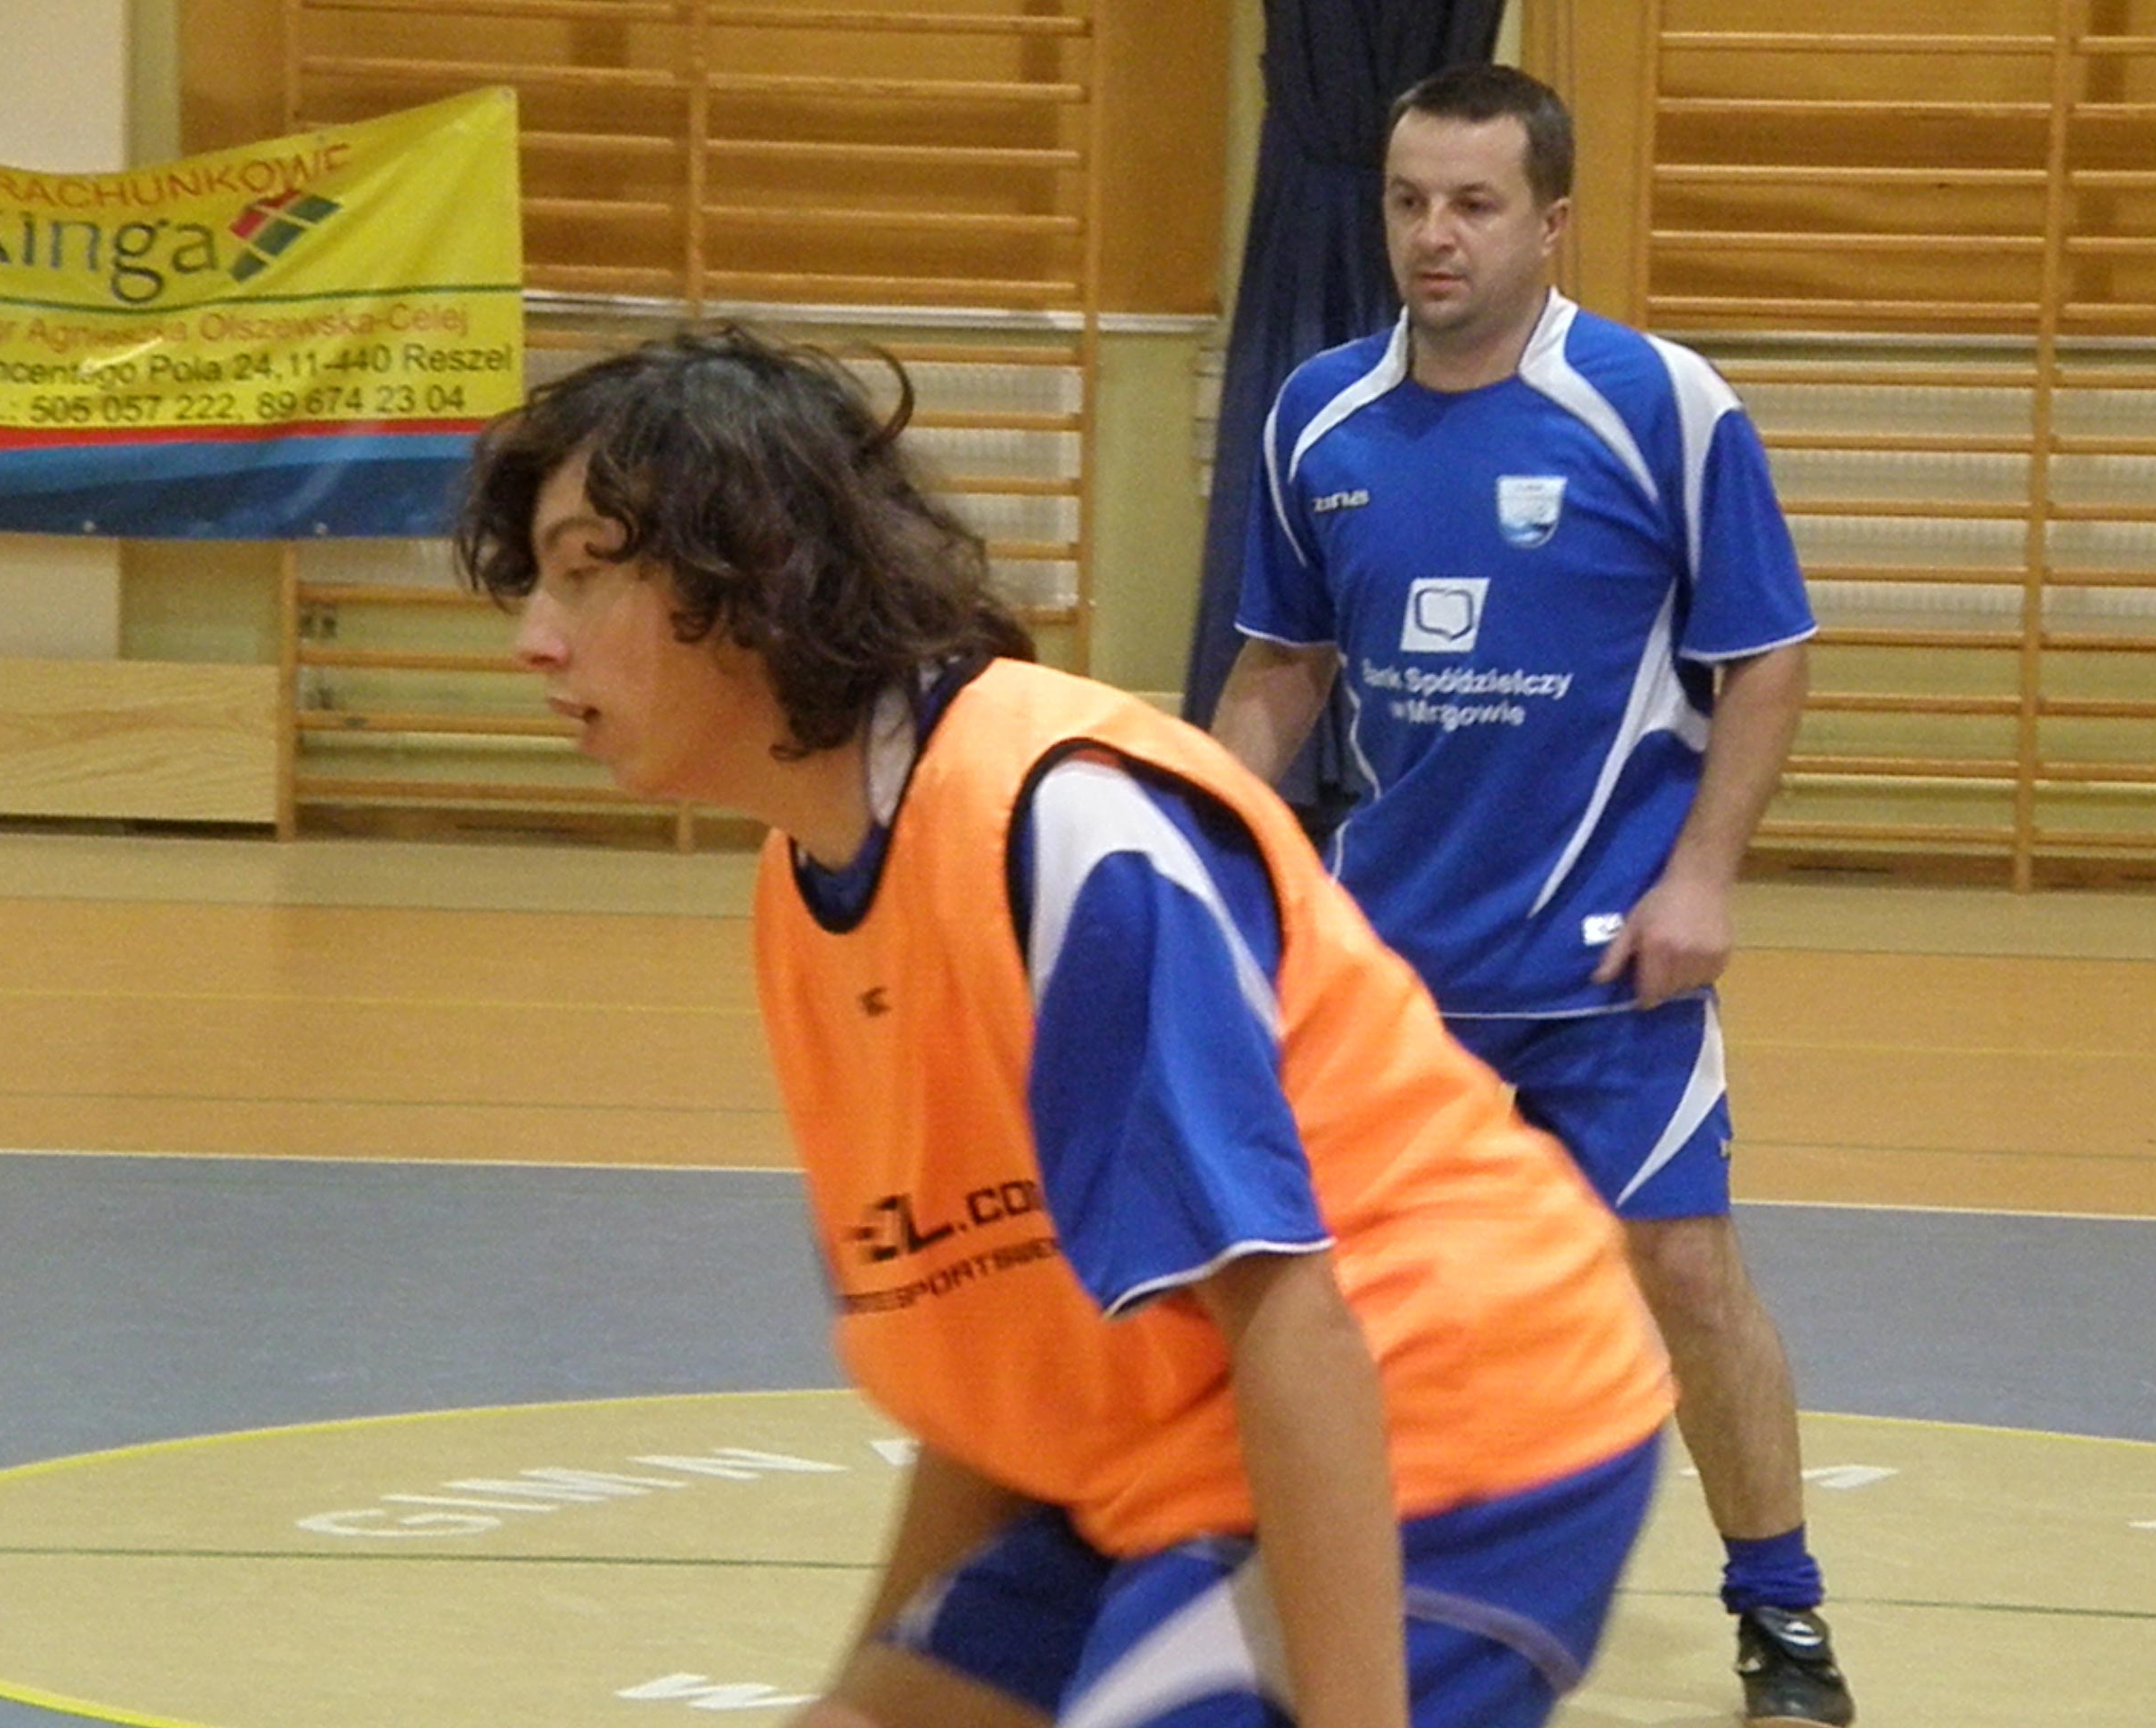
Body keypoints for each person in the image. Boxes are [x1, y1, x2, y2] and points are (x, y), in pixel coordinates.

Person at [458, 320, 1674, 1728]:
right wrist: (861, 1695)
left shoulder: (1064, 829)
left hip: (1448, 1432)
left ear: (759, 571)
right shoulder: (809, 887)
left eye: (586, 571)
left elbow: (1294, 1321)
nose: (535, 641)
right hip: (1163, 1456)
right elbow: (991, 1342)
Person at [1208, 62, 1853, 1728]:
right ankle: (1316, 1612)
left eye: (1475, 204)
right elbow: (1282, 666)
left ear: (1551, 221)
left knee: (1686, 1275)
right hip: (1390, 980)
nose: (1436, 234)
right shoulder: (1318, 418)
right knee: (1317, 1304)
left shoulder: (1659, 403)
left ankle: (1781, 1616)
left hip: (1607, 973)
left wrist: (1702, 876)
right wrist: (1207, 863)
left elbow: (1767, 655)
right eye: (1410, 200)